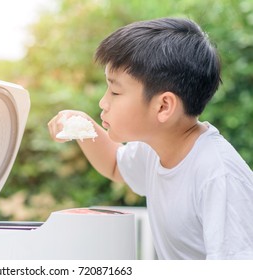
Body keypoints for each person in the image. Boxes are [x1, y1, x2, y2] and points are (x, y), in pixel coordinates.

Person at [47, 17, 253, 260]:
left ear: (163, 106)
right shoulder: (154, 148)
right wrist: (80, 125)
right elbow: (114, 164)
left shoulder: (218, 176)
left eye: (115, 91)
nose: (103, 102)